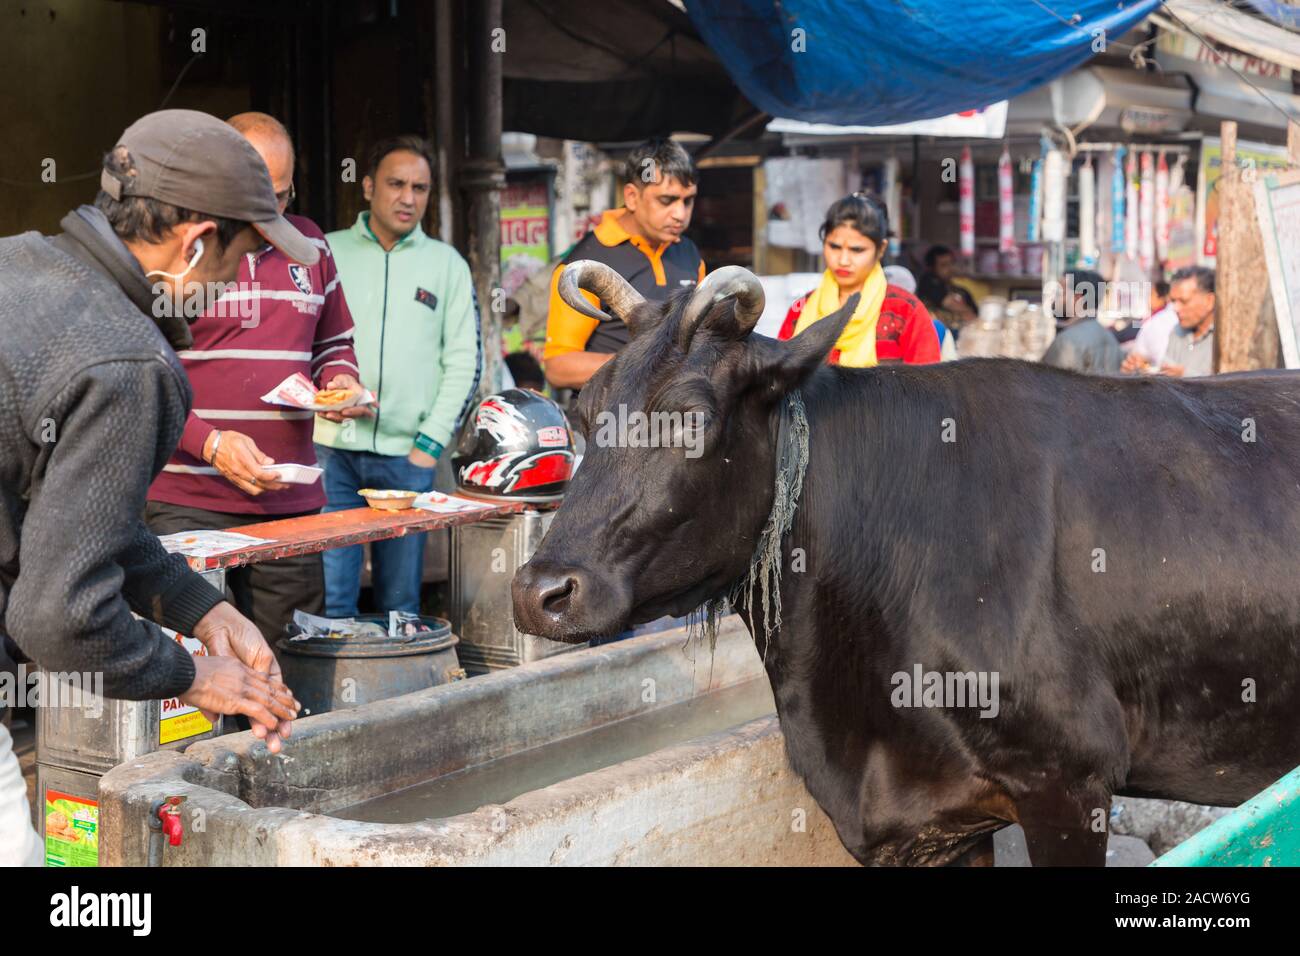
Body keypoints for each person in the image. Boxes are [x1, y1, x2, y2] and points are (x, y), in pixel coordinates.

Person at [0, 109, 302, 865]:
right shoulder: (130, 365)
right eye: (241, 257)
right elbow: (59, 617)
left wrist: (201, 607)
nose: (239, 282)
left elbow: (71, 517)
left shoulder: (19, 263)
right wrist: (194, 675)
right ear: (196, 240)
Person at [145, 113, 371, 642]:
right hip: (186, 500)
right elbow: (143, 374)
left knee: (288, 667)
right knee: (196, 681)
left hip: (287, 502)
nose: (271, 213)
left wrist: (342, 381)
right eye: (256, 197)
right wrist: (211, 443)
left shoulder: (311, 246)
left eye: (282, 195)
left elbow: (334, 342)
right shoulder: (177, 252)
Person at [314, 135, 482, 617]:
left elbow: (465, 361)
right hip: (331, 449)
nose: (409, 198)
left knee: (400, 603)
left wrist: (429, 444)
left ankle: (396, 691)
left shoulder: (446, 264)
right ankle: (335, 688)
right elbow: (300, 342)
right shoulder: (326, 250)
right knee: (332, 594)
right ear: (367, 187)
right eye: (396, 184)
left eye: (420, 187)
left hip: (408, 456)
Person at [543, 138, 705, 390]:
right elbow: (558, 366)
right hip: (611, 423)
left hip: (682, 419)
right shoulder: (584, 266)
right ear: (631, 196)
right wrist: (645, 363)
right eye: (666, 200)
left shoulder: (690, 255)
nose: (680, 214)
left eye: (687, 201)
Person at [778, 193, 941, 366]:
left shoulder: (905, 310)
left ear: (880, 249)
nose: (843, 260)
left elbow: (927, 387)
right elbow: (778, 380)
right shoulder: (801, 309)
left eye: (857, 250)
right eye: (834, 246)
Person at [1041, 270, 1121, 374]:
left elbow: (1047, 386)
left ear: (1078, 298)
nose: (1054, 298)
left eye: (1060, 293)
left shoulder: (1066, 342)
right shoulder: (1112, 340)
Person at [1156, 266, 1216, 378]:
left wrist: (1185, 376)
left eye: (1183, 301)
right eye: (1173, 301)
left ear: (1209, 301)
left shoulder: (1225, 340)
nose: (1176, 308)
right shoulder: (1177, 332)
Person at [917, 244, 979, 331]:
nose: (949, 268)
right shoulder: (928, 283)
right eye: (943, 265)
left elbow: (975, 315)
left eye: (951, 263)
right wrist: (967, 313)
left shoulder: (961, 291)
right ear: (932, 268)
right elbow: (950, 303)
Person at [1122, 279, 1178, 374]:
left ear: (1163, 298)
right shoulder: (1151, 318)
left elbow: (1131, 330)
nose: (1148, 299)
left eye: (1152, 294)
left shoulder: (1157, 321)